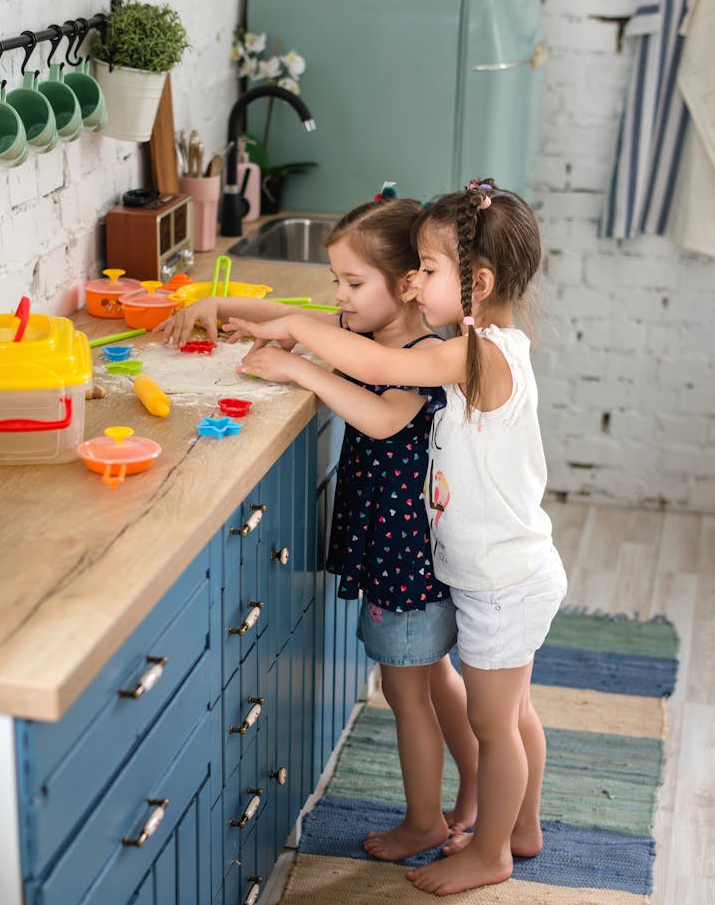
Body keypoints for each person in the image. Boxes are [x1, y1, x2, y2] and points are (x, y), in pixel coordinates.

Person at [236, 179, 567, 896]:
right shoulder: (487, 343)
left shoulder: (474, 356)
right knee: (511, 715)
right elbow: (376, 357)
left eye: (429, 268)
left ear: (476, 283)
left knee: (493, 724)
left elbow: (382, 369)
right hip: (514, 568)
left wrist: (294, 346)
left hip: (501, 584)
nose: (415, 282)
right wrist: (288, 324)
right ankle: (523, 826)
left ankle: (491, 854)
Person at [158, 191, 479, 862]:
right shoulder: (372, 331)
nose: (341, 296)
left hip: (406, 555)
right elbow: (292, 315)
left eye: (354, 283)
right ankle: (470, 792)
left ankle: (425, 820)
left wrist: (295, 363)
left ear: (409, 285)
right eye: (337, 280)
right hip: (408, 548)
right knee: (431, 676)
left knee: (405, 688)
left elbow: (382, 417)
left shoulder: (422, 350)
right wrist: (218, 308)